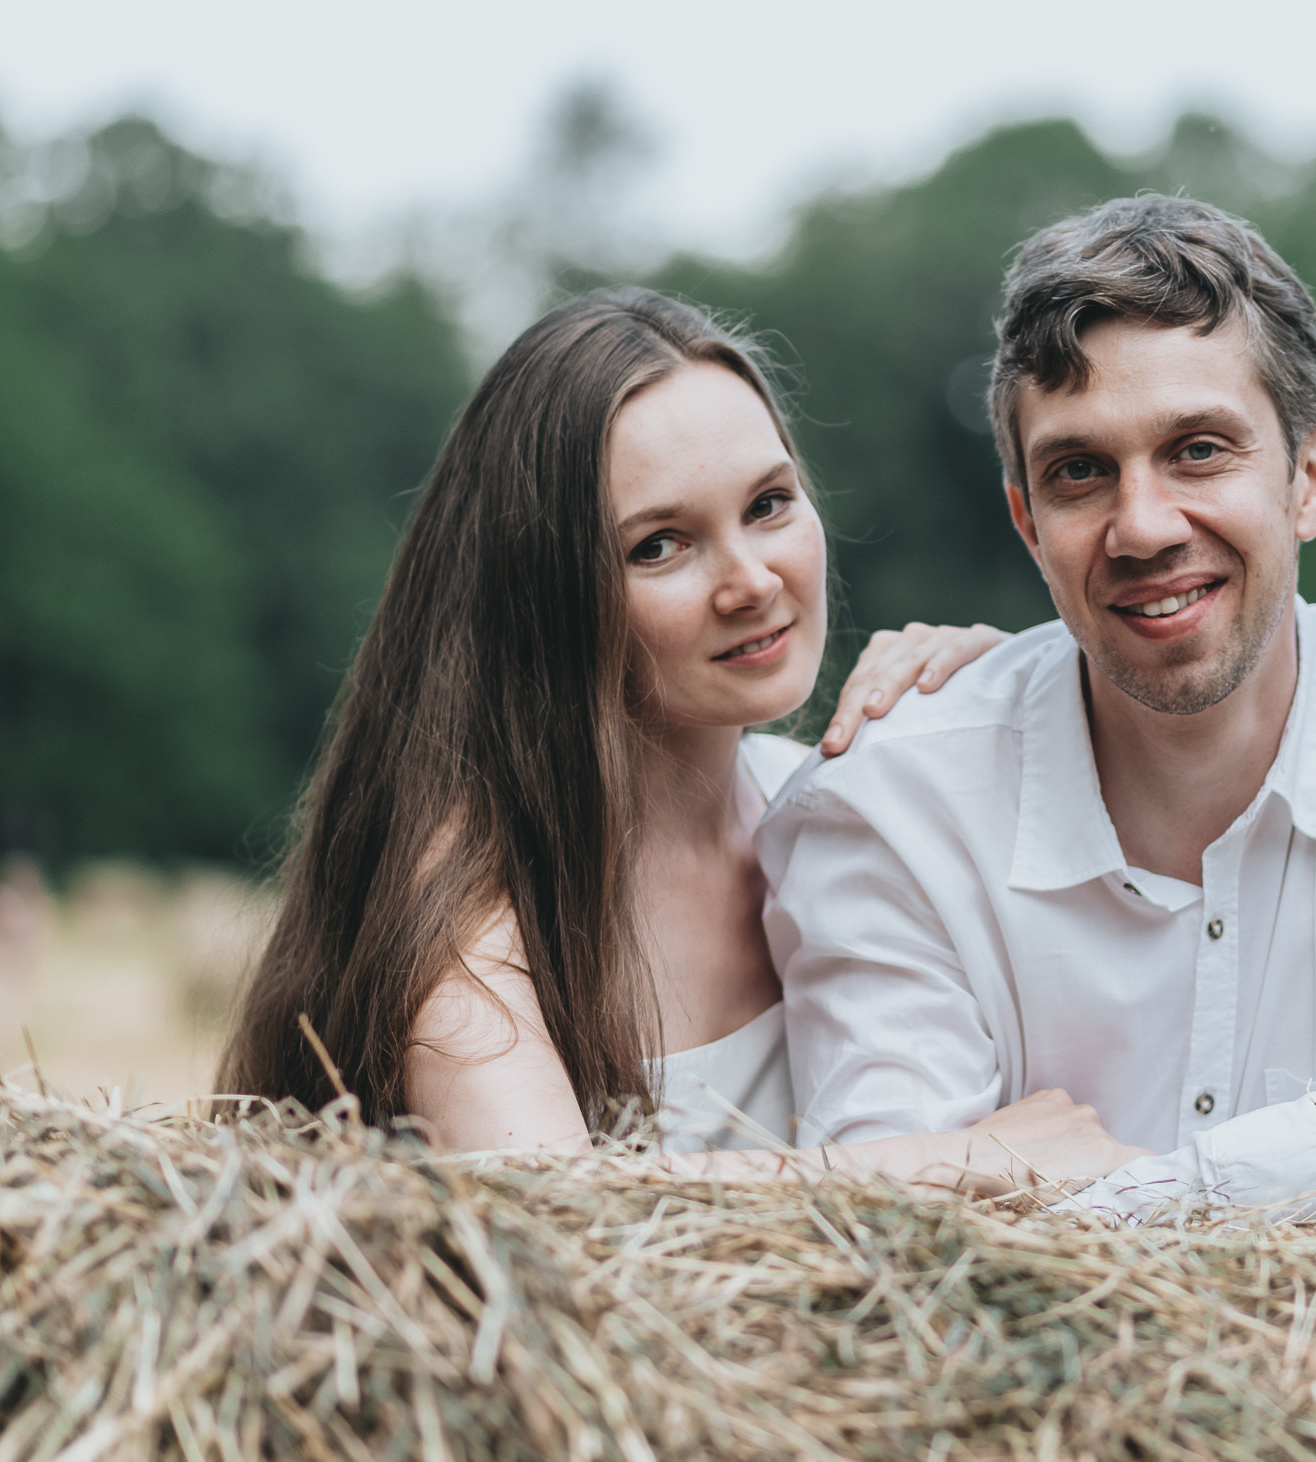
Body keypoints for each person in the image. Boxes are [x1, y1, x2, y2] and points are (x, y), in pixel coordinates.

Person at [762, 195, 1316, 1220]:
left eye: (1198, 450)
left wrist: (1124, 1202)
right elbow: (893, 1268)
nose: (1141, 527)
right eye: (1081, 472)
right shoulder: (888, 802)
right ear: (1027, 523)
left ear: (1310, 477)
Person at [217, 290, 1126, 1192]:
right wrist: (952, 1164)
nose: (751, 581)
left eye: (769, 504)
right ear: (546, 597)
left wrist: (999, 707)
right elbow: (547, 1206)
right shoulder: (472, 885)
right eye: (659, 546)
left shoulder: (845, 810)